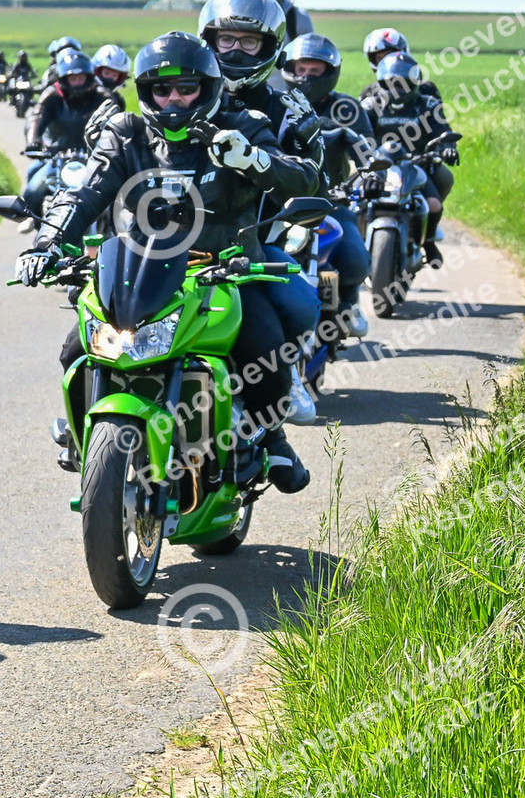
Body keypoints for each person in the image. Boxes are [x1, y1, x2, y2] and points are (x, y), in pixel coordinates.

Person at [17, 32, 313, 493]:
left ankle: (270, 437)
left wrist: (253, 159)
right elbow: (83, 192)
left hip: (225, 272)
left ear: (208, 87)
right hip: (139, 274)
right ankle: (85, 437)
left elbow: (303, 181)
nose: (173, 99)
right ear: (145, 91)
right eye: (161, 89)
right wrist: (46, 243)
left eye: (186, 88)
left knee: (264, 350)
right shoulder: (126, 132)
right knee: (76, 348)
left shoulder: (244, 125)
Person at [199, 0, 323, 422]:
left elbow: (314, 179)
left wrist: (262, 159)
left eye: (248, 41)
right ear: (209, 41)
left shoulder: (287, 109)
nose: (235, 50)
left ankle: (285, 375)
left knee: (300, 305)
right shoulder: (186, 91)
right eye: (226, 39)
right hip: (176, 239)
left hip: (256, 240)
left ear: (269, 47)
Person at [279, 32, 373, 336]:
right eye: (301, 69)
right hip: (278, 204)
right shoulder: (275, 103)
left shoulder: (346, 108)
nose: (306, 77)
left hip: (330, 201)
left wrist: (372, 173)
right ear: (290, 70)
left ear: (329, 72)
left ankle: (349, 302)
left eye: (314, 70)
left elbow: (365, 148)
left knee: (354, 258)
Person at [362, 51, 457, 268]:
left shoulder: (428, 105)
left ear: (414, 83)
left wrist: (448, 148)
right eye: (391, 83)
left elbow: (443, 131)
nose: (397, 89)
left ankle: (429, 242)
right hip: (377, 167)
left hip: (415, 165)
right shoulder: (370, 105)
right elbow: (356, 133)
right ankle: (353, 245)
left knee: (433, 205)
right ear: (381, 83)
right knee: (352, 202)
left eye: (403, 83)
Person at [19, 49, 121, 218]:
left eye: (81, 78)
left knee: (119, 193)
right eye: (73, 78)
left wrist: (118, 144)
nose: (77, 82)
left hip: (94, 158)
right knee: (32, 191)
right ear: (64, 79)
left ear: (89, 77)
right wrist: (33, 140)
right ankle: (34, 221)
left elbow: (116, 121)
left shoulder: (103, 96)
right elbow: (36, 117)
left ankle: (120, 228)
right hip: (56, 156)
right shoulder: (52, 95)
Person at [361, 28, 442, 101]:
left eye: (390, 56)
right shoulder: (370, 92)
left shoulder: (426, 89)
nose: (386, 62)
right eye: (380, 58)